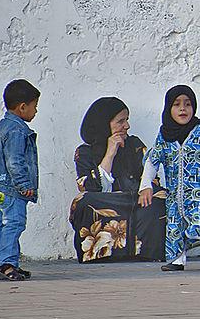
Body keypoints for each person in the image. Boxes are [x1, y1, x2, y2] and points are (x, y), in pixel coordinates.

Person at [138, 85, 200, 271]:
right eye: (177, 104)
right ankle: (177, 260)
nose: (183, 108)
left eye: (188, 104)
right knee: (174, 227)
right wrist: (146, 186)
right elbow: (152, 160)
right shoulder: (164, 136)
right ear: (169, 108)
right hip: (175, 194)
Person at [70, 97, 166, 262]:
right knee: (84, 202)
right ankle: (100, 254)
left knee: (160, 198)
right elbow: (89, 188)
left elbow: (151, 180)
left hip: (135, 201)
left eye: (126, 120)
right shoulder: (85, 152)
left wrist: (145, 189)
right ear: (104, 124)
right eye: (121, 121)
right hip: (107, 202)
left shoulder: (135, 144)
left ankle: (147, 252)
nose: (127, 126)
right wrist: (110, 153)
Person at [0, 79, 40, 281]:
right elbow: (15, 161)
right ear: (22, 106)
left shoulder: (4, 125)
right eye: (35, 106)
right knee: (14, 223)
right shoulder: (17, 130)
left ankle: (7, 262)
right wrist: (24, 185)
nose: (36, 111)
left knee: (5, 223)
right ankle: (7, 264)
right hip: (10, 187)